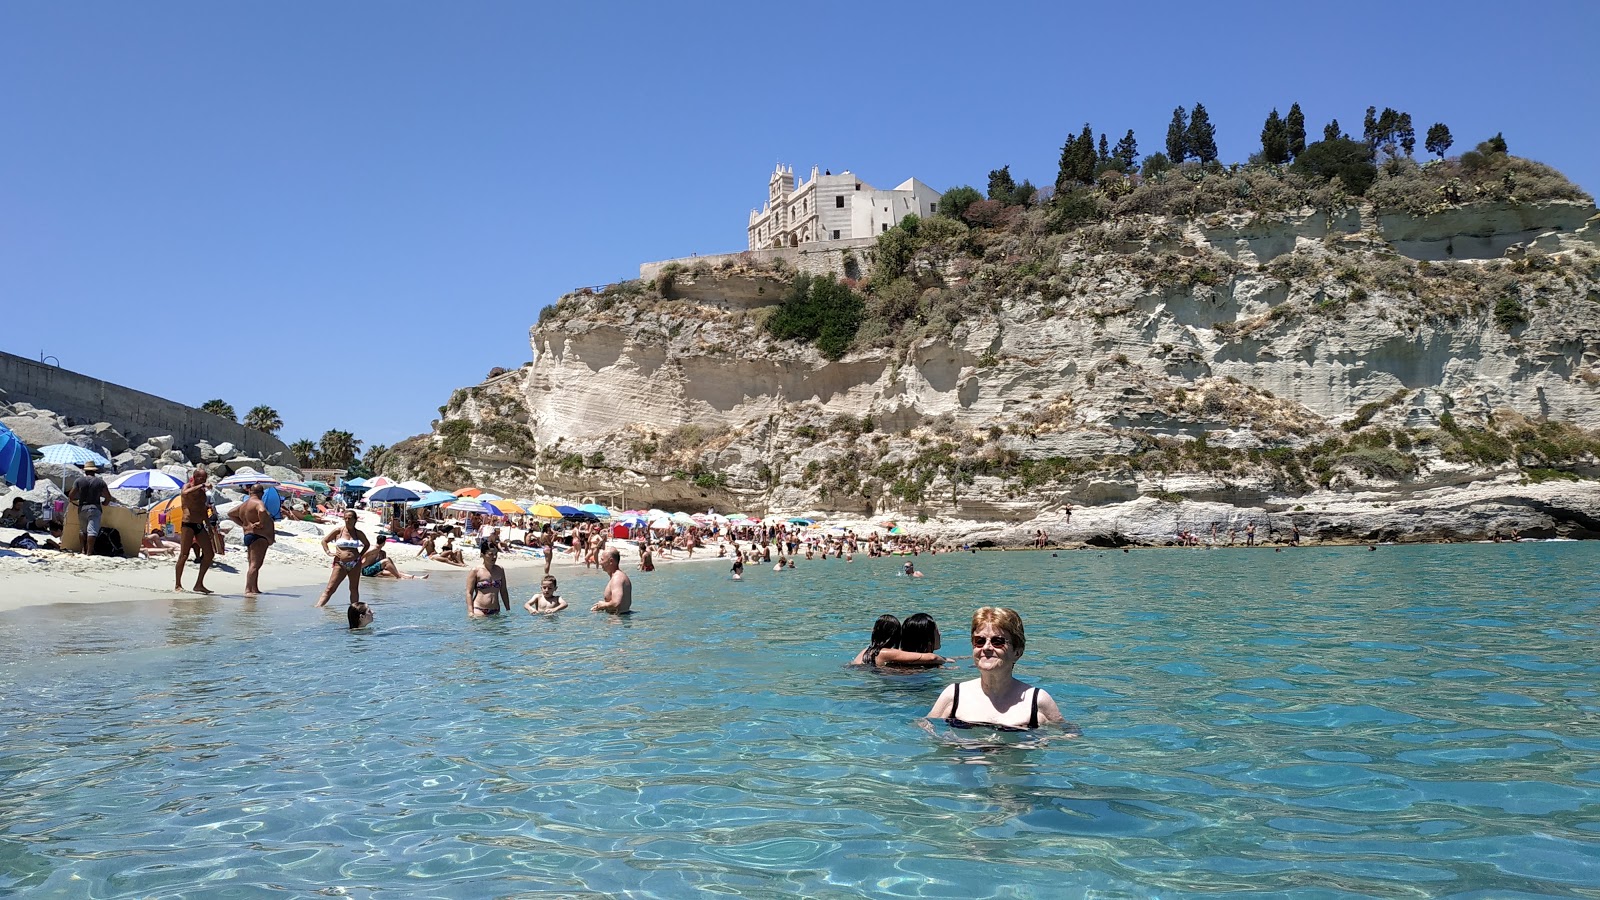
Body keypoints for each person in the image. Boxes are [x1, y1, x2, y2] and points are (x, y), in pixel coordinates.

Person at [926, 607, 1066, 731]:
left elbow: (1069, 737)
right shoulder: (954, 695)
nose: (986, 647)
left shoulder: (1037, 701)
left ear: (1017, 652)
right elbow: (924, 731)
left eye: (997, 642)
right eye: (979, 641)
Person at [316, 511, 370, 607]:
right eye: (345, 518)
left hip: (355, 563)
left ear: (355, 520)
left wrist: (360, 555)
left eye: (350, 518)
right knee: (330, 588)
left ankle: (354, 610)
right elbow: (324, 541)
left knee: (353, 588)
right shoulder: (339, 531)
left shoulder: (358, 533)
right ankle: (318, 607)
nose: (347, 520)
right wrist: (328, 552)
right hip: (340, 563)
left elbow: (367, 544)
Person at [228, 484, 275, 596]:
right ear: (261, 493)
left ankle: (254, 588)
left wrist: (244, 524)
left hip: (249, 535)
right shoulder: (258, 503)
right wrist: (261, 523)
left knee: (253, 564)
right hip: (258, 536)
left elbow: (230, 513)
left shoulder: (244, 504)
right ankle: (248, 589)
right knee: (255, 564)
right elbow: (262, 511)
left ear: (250, 492)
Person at [174, 467, 215, 592]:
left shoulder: (202, 492)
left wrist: (209, 526)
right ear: (194, 477)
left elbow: (203, 510)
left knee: (209, 554)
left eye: (204, 478)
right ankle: (177, 584)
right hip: (188, 523)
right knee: (184, 555)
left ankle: (199, 584)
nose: (202, 480)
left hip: (199, 524)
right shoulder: (187, 487)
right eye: (200, 478)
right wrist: (202, 485)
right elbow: (185, 494)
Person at [69, 460, 114, 556]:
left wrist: (75, 500)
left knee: (82, 530)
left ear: (85, 471)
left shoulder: (79, 481)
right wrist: (105, 503)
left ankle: (82, 550)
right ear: (95, 471)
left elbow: (71, 496)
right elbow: (108, 497)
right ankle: (89, 552)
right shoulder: (100, 482)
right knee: (92, 531)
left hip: (82, 508)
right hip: (94, 508)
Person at [466, 545, 510, 617]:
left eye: (496, 554)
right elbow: (469, 593)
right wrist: (470, 611)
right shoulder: (475, 571)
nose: (494, 557)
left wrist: (508, 609)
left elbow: (504, 591)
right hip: (479, 609)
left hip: (495, 610)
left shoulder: (500, 570)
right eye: (491, 554)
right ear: (482, 555)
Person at [360, 534, 425, 579]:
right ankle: (399, 577)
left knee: (395, 572)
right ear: (384, 543)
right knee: (387, 560)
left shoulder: (380, 551)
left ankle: (416, 577)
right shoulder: (374, 549)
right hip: (366, 571)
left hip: (371, 570)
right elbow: (362, 556)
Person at [591, 547, 633, 614]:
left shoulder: (617, 578)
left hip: (619, 620)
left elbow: (616, 603)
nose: (600, 562)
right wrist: (600, 607)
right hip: (620, 618)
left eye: (602, 560)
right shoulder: (616, 577)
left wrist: (603, 605)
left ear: (611, 561)